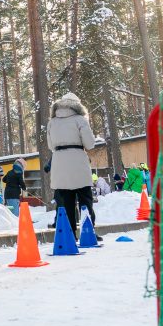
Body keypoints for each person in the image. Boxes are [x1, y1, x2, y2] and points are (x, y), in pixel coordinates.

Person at [47, 92, 98, 238]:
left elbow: (51, 145)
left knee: (66, 201)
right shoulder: (80, 119)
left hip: (59, 163)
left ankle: (70, 236)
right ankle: (88, 233)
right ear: (77, 105)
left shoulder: (52, 122)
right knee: (85, 199)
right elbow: (89, 143)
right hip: (78, 162)